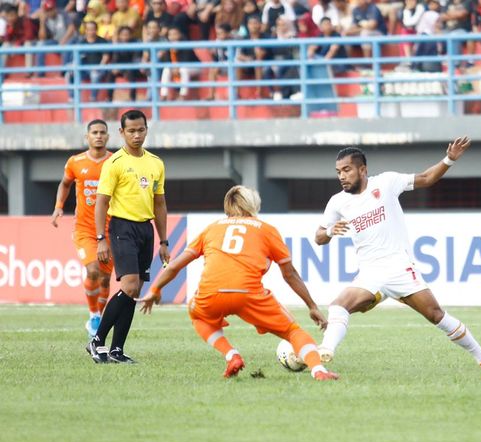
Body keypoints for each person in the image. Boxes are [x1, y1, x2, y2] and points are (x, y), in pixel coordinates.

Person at [315, 138, 481, 372]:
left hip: (399, 268)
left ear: (362, 169)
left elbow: (426, 178)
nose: (341, 176)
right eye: (338, 172)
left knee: (436, 315)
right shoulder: (337, 202)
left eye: (347, 170)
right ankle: (325, 351)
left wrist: (450, 159)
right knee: (338, 306)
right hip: (370, 274)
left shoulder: (386, 182)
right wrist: (331, 230)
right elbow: (319, 237)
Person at [138, 186, 339, 381]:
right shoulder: (267, 230)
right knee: (293, 331)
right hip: (248, 293)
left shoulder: (211, 229)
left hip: (211, 293)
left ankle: (231, 355)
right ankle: (318, 371)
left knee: (198, 316)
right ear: (253, 205)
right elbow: (290, 274)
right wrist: (312, 306)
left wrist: (155, 289)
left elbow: (173, 266)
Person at [87, 109, 170, 364]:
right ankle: (97, 340)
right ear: (122, 133)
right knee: (130, 286)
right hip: (122, 228)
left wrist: (164, 240)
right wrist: (101, 238)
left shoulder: (156, 163)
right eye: (131, 131)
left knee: (134, 293)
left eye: (140, 130)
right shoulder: (115, 163)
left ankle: (116, 350)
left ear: (147, 129)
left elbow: (160, 204)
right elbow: (101, 203)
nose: (136, 135)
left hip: (145, 230)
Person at [51, 119, 113, 339]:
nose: (98, 135)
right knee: (93, 270)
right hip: (84, 229)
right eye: (94, 132)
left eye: (102, 132)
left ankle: (99, 317)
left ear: (108, 136)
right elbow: (65, 183)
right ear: (87, 137)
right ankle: (94, 314)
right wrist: (59, 207)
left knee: (105, 280)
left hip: (110, 229)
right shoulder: (75, 162)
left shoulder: (115, 162)